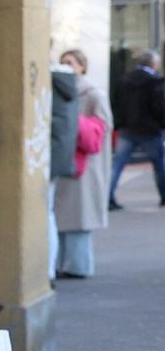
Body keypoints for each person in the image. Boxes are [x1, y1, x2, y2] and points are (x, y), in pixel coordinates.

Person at [55, 48, 112, 276]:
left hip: (85, 163)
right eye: (62, 62)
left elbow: (102, 128)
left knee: (80, 216)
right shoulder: (61, 90)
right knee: (63, 215)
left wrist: (75, 122)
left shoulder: (93, 94)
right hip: (69, 160)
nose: (66, 67)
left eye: (70, 62)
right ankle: (64, 264)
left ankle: (77, 266)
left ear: (82, 66)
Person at [108, 49, 165, 210]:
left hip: (127, 129)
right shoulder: (154, 81)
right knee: (159, 164)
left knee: (117, 165)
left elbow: (115, 103)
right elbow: (159, 107)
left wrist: (119, 123)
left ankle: (107, 198)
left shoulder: (124, 80)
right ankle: (164, 196)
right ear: (153, 64)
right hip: (150, 130)